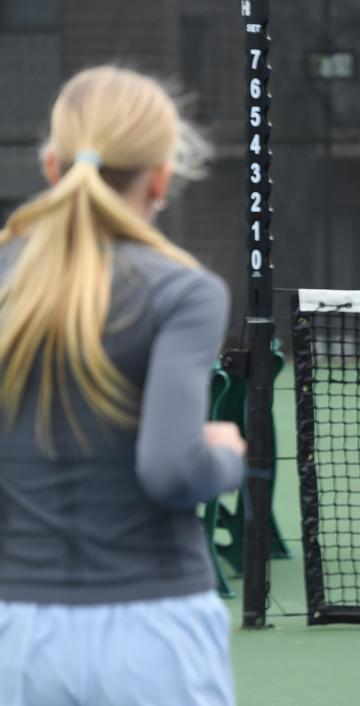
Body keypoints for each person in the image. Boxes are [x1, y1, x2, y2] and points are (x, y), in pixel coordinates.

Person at [0, 66, 246, 706]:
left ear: (53, 166)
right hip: (153, 630)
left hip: (15, 632)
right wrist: (224, 453)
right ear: (162, 178)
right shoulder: (184, 291)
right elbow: (170, 470)